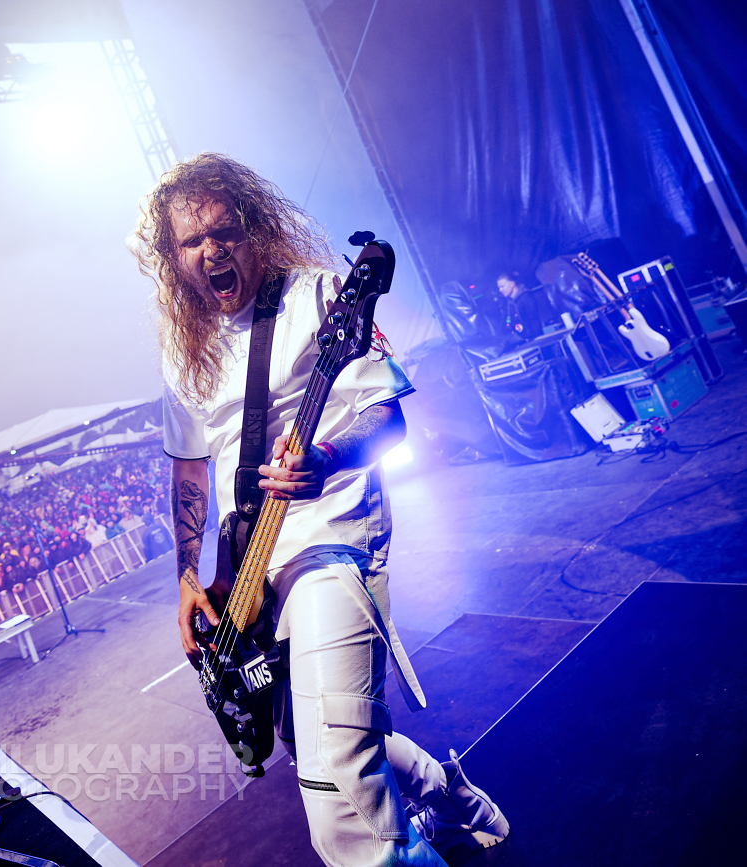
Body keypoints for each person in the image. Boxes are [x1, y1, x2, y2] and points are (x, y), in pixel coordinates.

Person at [134, 153, 508, 867]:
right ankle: (449, 794)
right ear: (173, 259)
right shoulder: (183, 351)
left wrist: (327, 458)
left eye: (225, 230)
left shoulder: (323, 297)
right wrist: (188, 578)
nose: (212, 250)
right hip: (248, 572)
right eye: (192, 241)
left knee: (334, 777)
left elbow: (388, 418)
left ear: (255, 227)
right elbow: (189, 467)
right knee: (317, 735)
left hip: (330, 539)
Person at [496, 271, 557, 340]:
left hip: (537, 338)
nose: (500, 290)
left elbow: (534, 321)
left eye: (502, 286)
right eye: (499, 288)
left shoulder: (525, 298)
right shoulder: (509, 304)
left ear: (512, 284)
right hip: (525, 339)